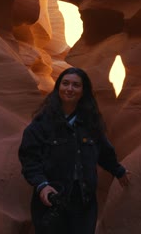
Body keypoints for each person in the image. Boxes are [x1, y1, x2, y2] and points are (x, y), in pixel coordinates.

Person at [18, 67, 130, 234]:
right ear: (58, 88)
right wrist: (42, 185)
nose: (70, 89)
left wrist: (118, 171)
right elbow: (29, 159)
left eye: (76, 85)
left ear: (83, 91)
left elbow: (104, 152)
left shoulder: (90, 124)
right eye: (65, 84)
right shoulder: (42, 125)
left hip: (84, 202)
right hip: (53, 199)